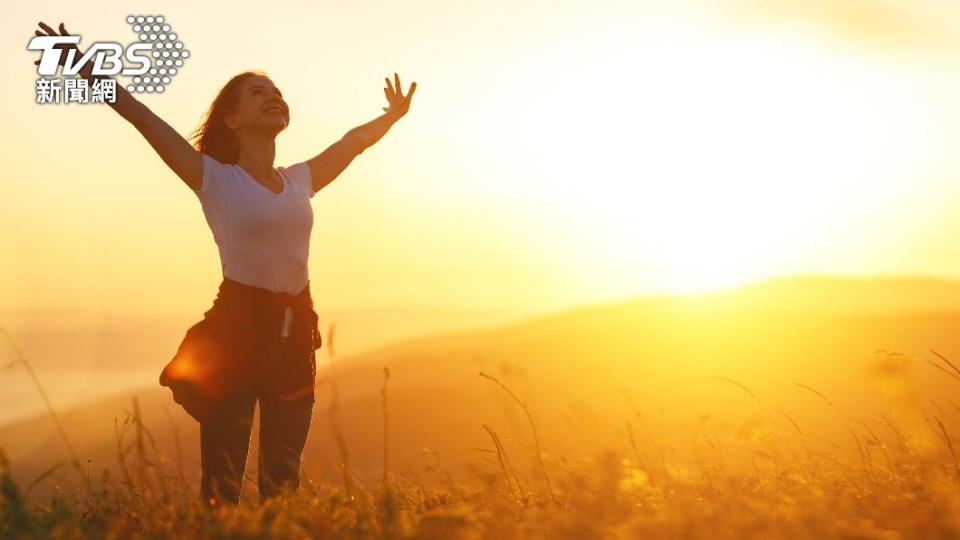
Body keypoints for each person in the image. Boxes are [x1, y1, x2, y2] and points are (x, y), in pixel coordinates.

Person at [32, 21, 417, 506]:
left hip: (295, 331)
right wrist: (86, 68)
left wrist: (392, 116)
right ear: (232, 120)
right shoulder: (211, 177)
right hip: (235, 330)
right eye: (258, 93)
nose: (273, 97)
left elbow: (352, 143)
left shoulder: (301, 180)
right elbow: (143, 119)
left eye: (276, 92)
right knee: (223, 479)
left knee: (283, 476)